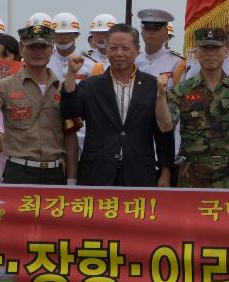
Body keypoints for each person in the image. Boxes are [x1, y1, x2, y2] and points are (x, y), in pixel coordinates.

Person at [61, 24, 172, 187]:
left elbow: (163, 131)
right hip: (97, 173)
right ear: (106, 50)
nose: (119, 53)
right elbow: (69, 112)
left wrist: (165, 171)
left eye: (125, 48)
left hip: (139, 174)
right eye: (113, 48)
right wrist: (70, 75)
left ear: (137, 50)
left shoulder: (153, 85)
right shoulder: (91, 86)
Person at [165, 27, 229, 188]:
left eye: (215, 48)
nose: (210, 53)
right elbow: (166, 126)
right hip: (192, 175)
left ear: (225, 52)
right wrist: (160, 97)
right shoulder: (182, 90)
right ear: (196, 52)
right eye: (205, 48)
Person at [0, 23, 68, 185]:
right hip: (19, 171)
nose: (38, 52)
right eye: (32, 47)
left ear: (51, 49)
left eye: (43, 47)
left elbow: (70, 133)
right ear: (21, 49)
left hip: (55, 172)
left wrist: (71, 178)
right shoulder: (5, 85)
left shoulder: (62, 88)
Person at [50, 12, 103, 81]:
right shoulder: (45, 62)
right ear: (52, 35)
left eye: (67, 33)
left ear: (76, 35)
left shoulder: (92, 65)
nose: (62, 37)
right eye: (58, 33)